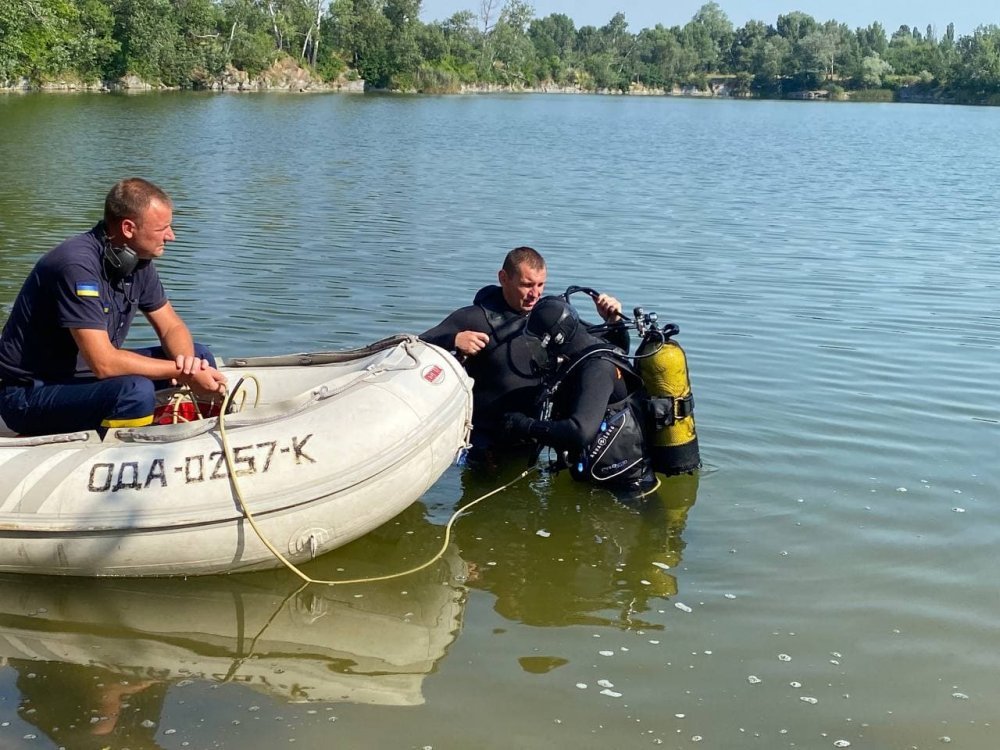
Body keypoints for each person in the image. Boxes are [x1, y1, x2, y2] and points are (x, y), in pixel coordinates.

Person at [0, 178, 226, 436]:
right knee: (134, 391)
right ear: (129, 228)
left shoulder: (136, 262)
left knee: (200, 354)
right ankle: (134, 453)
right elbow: (104, 364)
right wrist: (185, 374)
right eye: (162, 228)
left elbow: (171, 326)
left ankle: (197, 435)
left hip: (85, 380)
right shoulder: (76, 265)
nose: (171, 236)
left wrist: (189, 365)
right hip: (30, 394)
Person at [420, 246, 624, 461]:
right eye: (526, 285)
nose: (534, 294)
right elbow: (416, 346)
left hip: (533, 437)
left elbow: (604, 354)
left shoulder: (548, 318)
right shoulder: (473, 319)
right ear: (503, 278)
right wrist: (453, 340)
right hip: (486, 445)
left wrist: (613, 322)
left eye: (540, 285)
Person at [502, 295, 655, 492]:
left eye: (540, 343)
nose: (539, 351)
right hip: (597, 483)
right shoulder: (585, 350)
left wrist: (525, 426)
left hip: (629, 489)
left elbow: (579, 432)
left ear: (557, 339)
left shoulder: (597, 368)